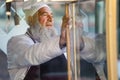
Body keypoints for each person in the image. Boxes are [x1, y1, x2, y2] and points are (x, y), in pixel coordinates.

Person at [7, 2, 98, 80]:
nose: (50, 19)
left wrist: (79, 41)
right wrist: (61, 42)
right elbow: (32, 54)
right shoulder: (16, 42)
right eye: (45, 15)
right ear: (31, 20)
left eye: (52, 16)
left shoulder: (58, 41)